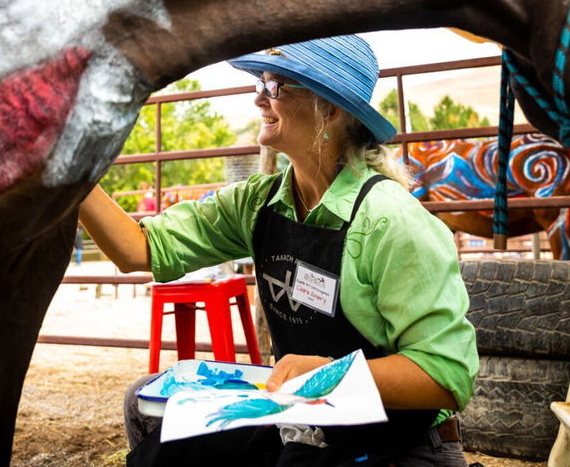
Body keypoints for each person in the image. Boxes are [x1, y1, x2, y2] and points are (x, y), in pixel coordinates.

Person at [80, 34, 477, 466]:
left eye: (275, 86)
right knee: (149, 413)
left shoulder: (390, 221)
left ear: (330, 108)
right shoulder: (260, 203)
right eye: (260, 85)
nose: (258, 100)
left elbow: (445, 376)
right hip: (309, 424)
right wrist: (70, 172)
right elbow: (137, 249)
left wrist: (327, 374)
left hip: (402, 445)